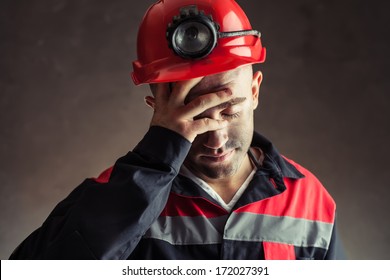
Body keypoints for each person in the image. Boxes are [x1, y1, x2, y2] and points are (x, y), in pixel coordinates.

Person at [10, 0, 344, 260]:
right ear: (156, 109)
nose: (216, 139)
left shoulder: (309, 199)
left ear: (254, 91)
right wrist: (157, 158)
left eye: (229, 109)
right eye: (192, 115)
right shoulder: (116, 196)